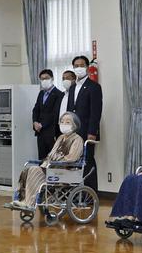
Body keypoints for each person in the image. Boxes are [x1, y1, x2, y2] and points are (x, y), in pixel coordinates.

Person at [11, 112, 84, 209]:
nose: (64, 124)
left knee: (34, 170)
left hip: (64, 170)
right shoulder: (60, 138)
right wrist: (47, 162)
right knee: (27, 171)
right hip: (52, 168)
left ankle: (28, 203)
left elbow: (72, 158)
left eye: (67, 122)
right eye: (62, 122)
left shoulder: (77, 139)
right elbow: (51, 155)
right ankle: (22, 200)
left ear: (75, 125)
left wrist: (54, 162)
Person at [68, 55, 102, 193]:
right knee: (73, 162)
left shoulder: (94, 87)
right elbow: (70, 110)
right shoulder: (72, 87)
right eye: (76, 66)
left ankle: (91, 193)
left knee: (87, 161)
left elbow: (96, 112)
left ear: (87, 67)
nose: (79, 68)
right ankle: (76, 193)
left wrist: (92, 132)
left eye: (81, 65)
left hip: (87, 131)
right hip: (73, 132)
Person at [31, 68, 63, 160]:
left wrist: (42, 124)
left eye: (46, 78)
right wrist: (35, 122)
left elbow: (55, 113)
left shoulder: (59, 94)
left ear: (52, 78)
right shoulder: (41, 93)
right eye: (42, 79)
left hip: (51, 131)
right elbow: (36, 109)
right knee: (42, 158)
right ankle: (42, 174)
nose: (44, 80)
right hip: (40, 132)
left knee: (52, 158)